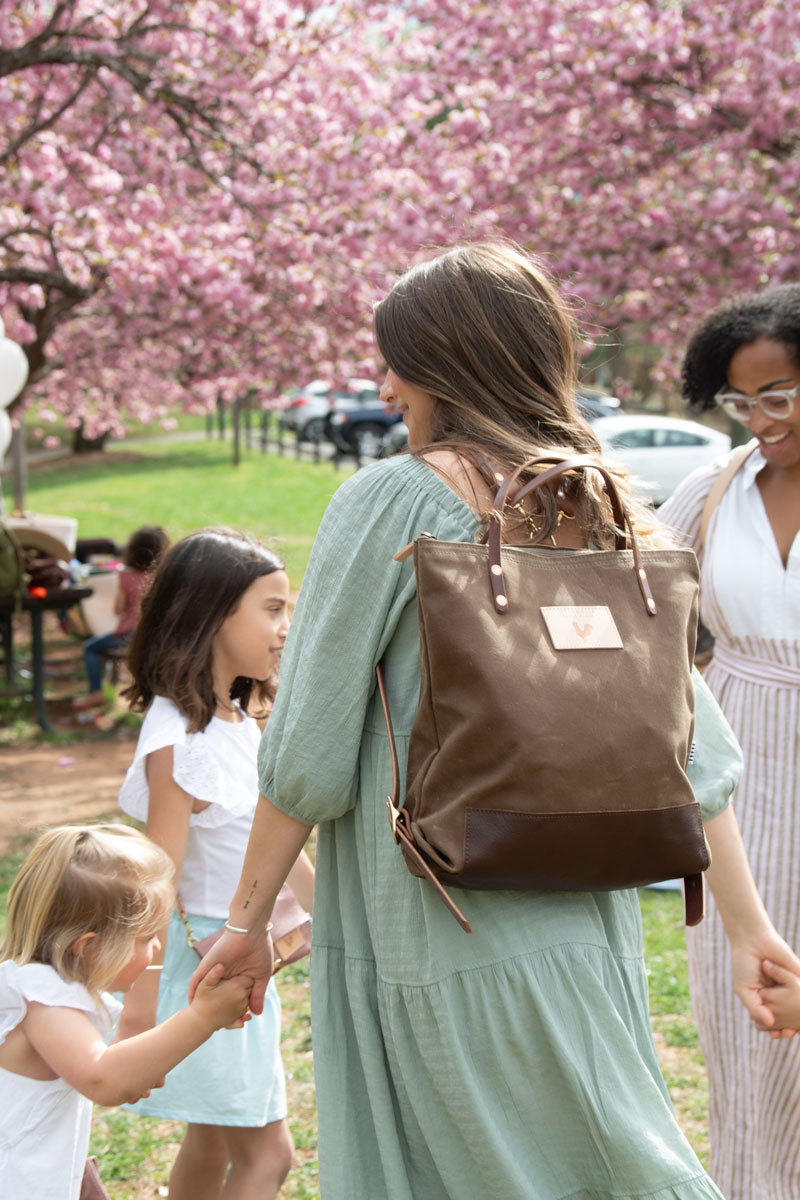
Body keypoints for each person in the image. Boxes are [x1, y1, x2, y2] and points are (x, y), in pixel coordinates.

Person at [190, 243, 800, 1200]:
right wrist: (748, 928)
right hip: (590, 942)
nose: (383, 386)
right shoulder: (601, 504)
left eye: (395, 361)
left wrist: (244, 922)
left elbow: (307, 755)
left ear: (444, 363)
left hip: (437, 927)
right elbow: (691, 752)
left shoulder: (391, 498)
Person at [116, 528, 314, 1200]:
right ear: (214, 614)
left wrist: (331, 917)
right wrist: (140, 1010)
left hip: (233, 953)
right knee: (267, 1157)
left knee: (210, 1141)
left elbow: (273, 842)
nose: (285, 627)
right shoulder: (178, 736)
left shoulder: (232, 717)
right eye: (272, 609)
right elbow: (158, 876)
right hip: (209, 965)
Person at [658, 284, 800, 1200]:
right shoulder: (712, 490)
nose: (759, 420)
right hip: (736, 769)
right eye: (739, 401)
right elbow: (630, 602)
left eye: (778, 396)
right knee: (744, 1014)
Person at [0, 823, 251, 1200]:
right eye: (146, 938)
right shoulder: (43, 999)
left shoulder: (46, 992)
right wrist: (204, 1017)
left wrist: (138, 1067)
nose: (156, 949)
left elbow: (103, 1069)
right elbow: (103, 1079)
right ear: (88, 947)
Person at [73, 524, 169, 710]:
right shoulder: (160, 578)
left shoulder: (125, 577)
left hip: (128, 636)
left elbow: (118, 609)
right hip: (155, 637)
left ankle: (96, 692)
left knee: (90, 647)